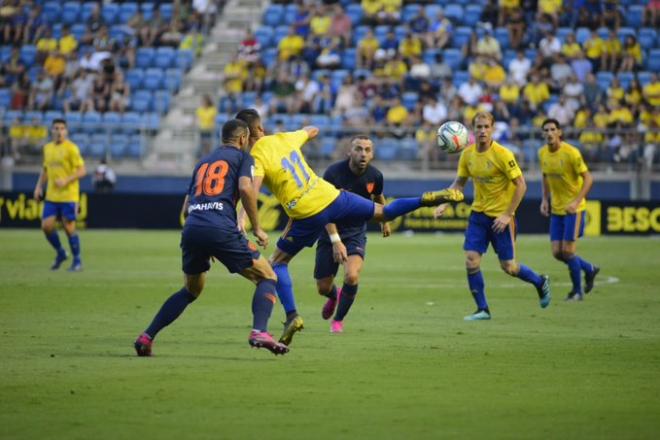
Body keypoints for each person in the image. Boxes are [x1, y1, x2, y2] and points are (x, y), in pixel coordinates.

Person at [235, 109, 463, 344]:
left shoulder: (255, 157)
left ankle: (292, 315)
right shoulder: (283, 137)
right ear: (261, 128)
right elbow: (313, 130)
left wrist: (248, 220)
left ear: (243, 135)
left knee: (277, 264)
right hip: (331, 197)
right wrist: (303, 134)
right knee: (383, 212)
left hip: (307, 212)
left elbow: (251, 189)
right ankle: (425, 199)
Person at [134, 119, 289, 357]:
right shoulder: (243, 158)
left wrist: (208, 239)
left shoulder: (203, 162)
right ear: (242, 139)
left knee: (190, 290)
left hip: (193, 228)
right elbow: (247, 189)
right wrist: (256, 227)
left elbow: (186, 208)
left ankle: (146, 337)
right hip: (220, 228)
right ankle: (259, 331)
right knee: (268, 275)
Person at [435, 112, 551, 320]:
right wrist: (444, 201)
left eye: (486, 127)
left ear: (492, 128)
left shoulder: (503, 154)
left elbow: (521, 185)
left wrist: (507, 215)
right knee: (471, 260)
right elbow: (459, 183)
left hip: (501, 218)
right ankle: (483, 309)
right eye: (478, 127)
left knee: (509, 267)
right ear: (473, 130)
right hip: (478, 215)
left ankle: (540, 282)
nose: (482, 131)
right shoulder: (467, 154)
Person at [314, 135, 390, 333]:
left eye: (367, 149)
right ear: (349, 152)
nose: (363, 153)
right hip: (330, 232)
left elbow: (378, 196)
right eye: (358, 149)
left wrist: (385, 219)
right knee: (323, 287)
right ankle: (333, 295)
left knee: (352, 276)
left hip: (355, 232)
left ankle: (338, 319)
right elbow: (323, 208)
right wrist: (335, 240)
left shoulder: (375, 176)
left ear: (372, 154)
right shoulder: (333, 173)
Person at [538, 119, 600, 301]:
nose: (549, 133)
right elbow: (545, 176)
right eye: (546, 130)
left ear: (559, 132)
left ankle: (577, 291)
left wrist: (576, 201)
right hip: (557, 209)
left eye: (552, 129)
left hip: (574, 209)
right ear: (543, 134)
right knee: (557, 252)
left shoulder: (572, 153)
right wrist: (544, 199)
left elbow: (588, 178)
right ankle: (589, 268)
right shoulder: (542, 153)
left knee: (568, 251)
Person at [33, 119, 86, 272]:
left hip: (69, 195)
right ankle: (61, 253)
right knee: (46, 226)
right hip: (51, 196)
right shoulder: (47, 148)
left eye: (62, 128)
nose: (59, 131)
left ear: (66, 131)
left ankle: (77, 260)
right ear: (52, 131)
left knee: (69, 228)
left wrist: (66, 180)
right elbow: (45, 170)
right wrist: (38, 187)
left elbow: (82, 171)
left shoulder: (72, 149)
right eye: (56, 128)